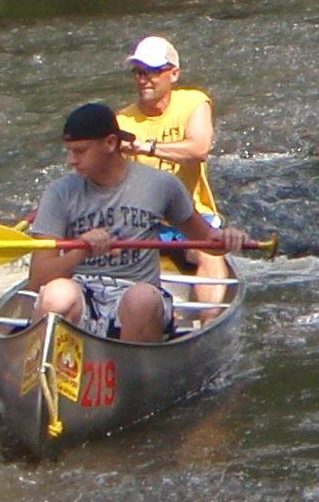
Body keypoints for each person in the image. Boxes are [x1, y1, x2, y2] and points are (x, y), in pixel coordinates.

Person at [25, 102, 241, 344]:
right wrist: (80, 251)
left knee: (143, 299)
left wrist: (227, 238)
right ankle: (49, 372)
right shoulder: (58, 193)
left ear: (110, 143)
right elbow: (37, 280)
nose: (71, 161)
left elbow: (208, 241)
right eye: (70, 151)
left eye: (80, 151)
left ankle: (131, 375)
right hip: (82, 294)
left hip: (137, 293)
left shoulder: (160, 185)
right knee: (55, 295)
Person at [117, 36, 230, 306]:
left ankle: (206, 325)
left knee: (209, 253)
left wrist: (145, 147)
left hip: (192, 216)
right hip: (145, 221)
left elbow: (198, 149)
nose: (144, 79)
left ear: (174, 74)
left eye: (154, 72)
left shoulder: (194, 103)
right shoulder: (121, 121)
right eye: (139, 72)